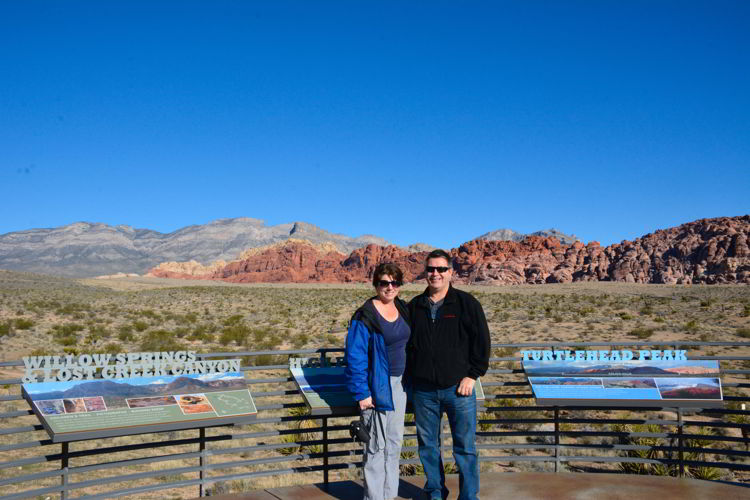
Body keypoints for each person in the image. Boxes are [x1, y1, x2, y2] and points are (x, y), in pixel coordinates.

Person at [407, 249, 490, 500]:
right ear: (425, 272)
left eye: (441, 269)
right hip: (423, 391)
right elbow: (405, 345)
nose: (436, 274)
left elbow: (482, 343)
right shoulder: (414, 307)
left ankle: (468, 496)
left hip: (458, 390)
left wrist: (472, 375)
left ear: (450, 272)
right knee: (428, 447)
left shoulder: (466, 304)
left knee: (465, 448)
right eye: (431, 269)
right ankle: (435, 492)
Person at [345, 262, 411, 500]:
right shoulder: (365, 316)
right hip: (376, 386)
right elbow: (355, 356)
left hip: (400, 385)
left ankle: (389, 495)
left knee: (394, 443)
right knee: (375, 447)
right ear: (376, 284)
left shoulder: (403, 309)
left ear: (399, 285)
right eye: (384, 282)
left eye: (394, 282)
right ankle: (374, 497)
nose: (389, 287)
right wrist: (362, 393)